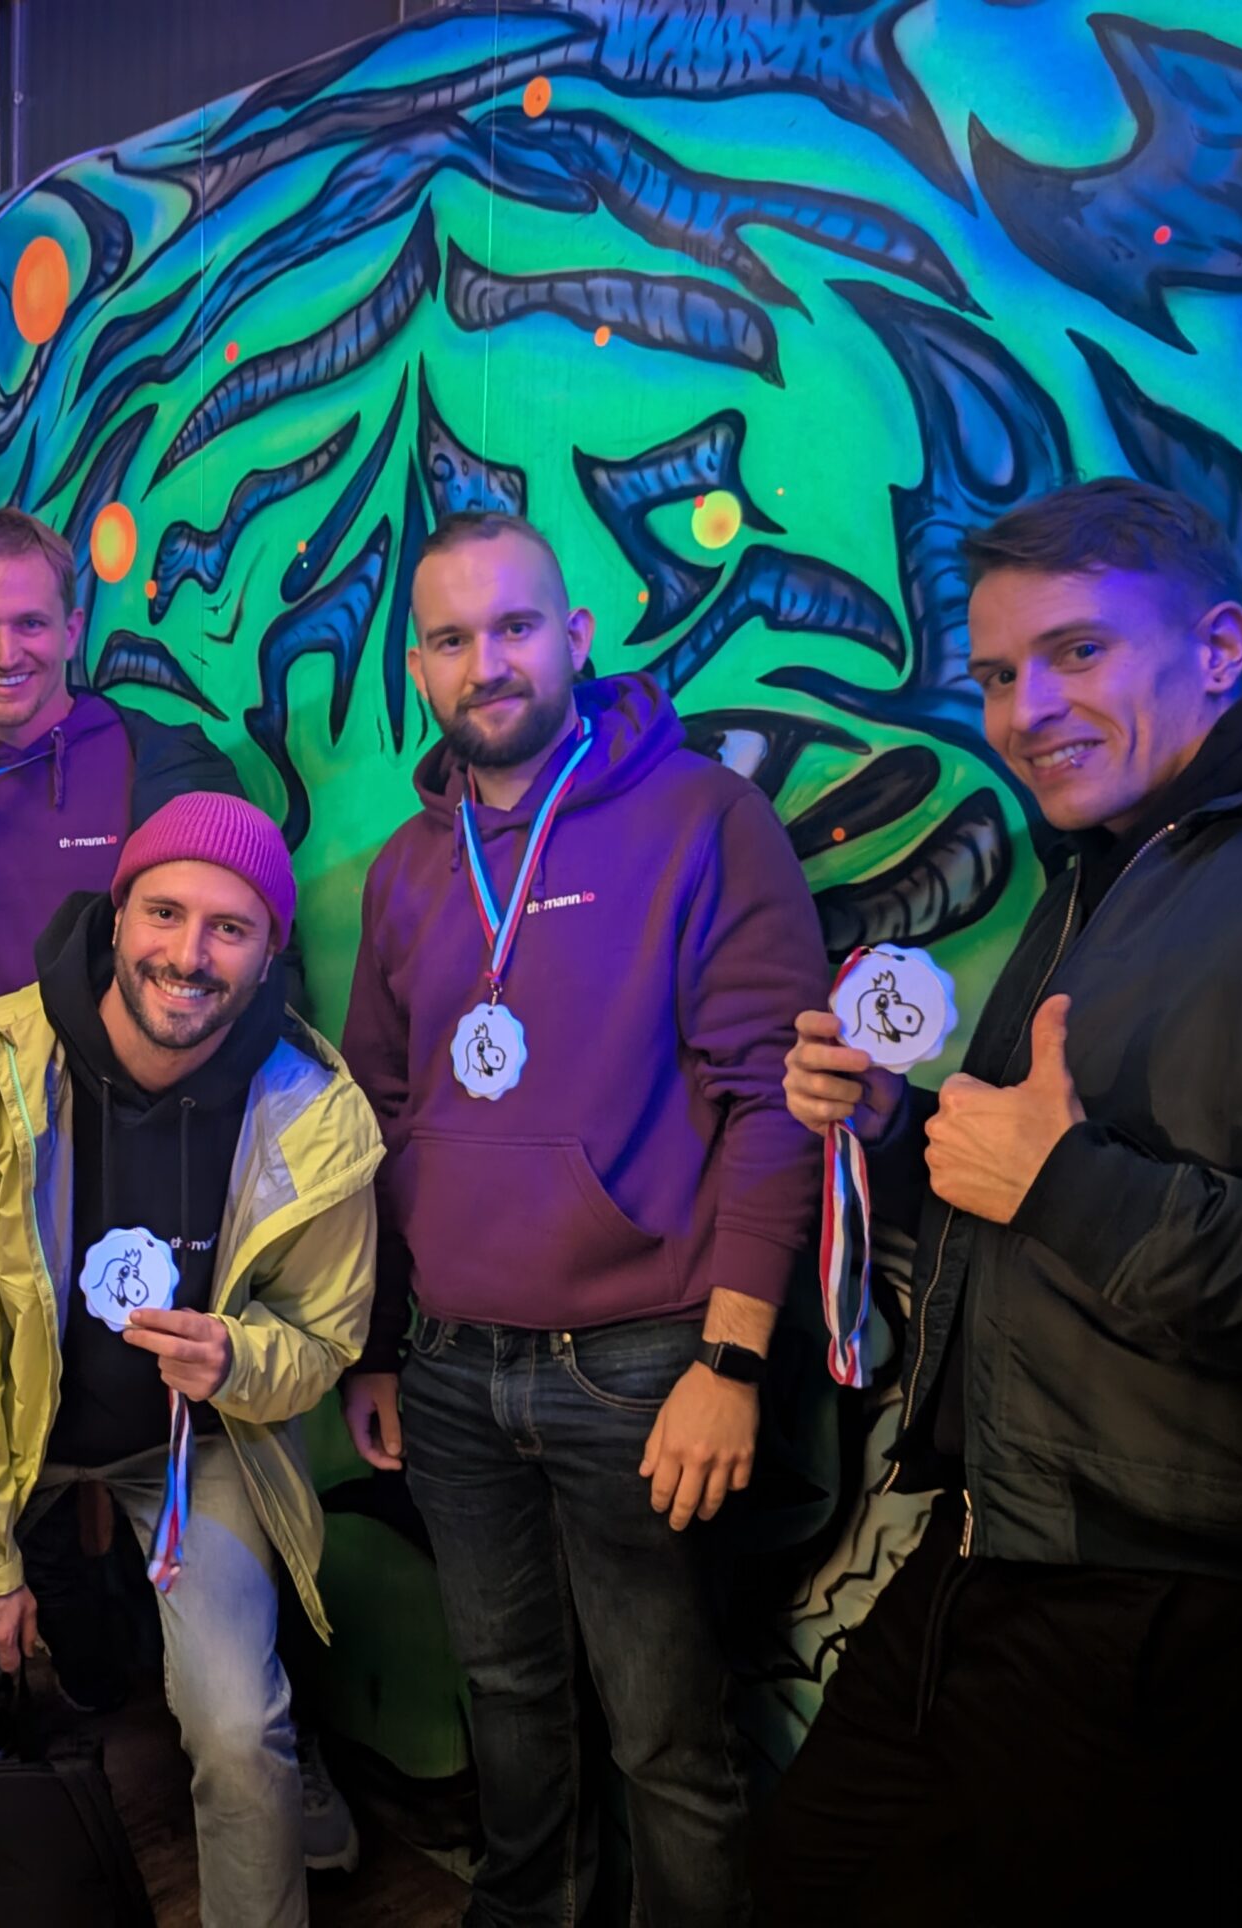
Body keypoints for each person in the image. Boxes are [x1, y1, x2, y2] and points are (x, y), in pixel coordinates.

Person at [759, 478, 1242, 1923]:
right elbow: (1034, 1194)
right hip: (1003, 1538)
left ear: (1218, 648)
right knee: (805, 1873)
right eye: (995, 674)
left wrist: (1065, 1186)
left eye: (1078, 651)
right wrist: (893, 1132)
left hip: (1186, 1603)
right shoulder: (1109, 864)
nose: (1025, 709)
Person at [335, 511, 826, 1927]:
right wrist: (378, 1344)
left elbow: (772, 1099)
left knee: (666, 1735)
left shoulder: (702, 819)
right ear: (417, 665)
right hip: (449, 1364)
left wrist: (730, 1359)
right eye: (449, 637)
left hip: (644, 1366)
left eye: (514, 627)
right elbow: (377, 1114)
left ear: (576, 636)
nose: (484, 662)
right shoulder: (406, 866)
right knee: (506, 1696)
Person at [0, 793, 381, 1928]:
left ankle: (273, 1811)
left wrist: (236, 1357)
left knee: (241, 1730)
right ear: (117, 912)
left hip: (190, 1442)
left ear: (270, 948)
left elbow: (324, 1336)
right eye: (164, 912)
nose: (189, 953)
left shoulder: (314, 1109)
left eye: (230, 927)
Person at [0, 507, 259, 1150]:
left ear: (71, 629)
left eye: (30, 624)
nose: (5, 653)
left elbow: (253, 953)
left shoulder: (166, 768)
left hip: (120, 1136)